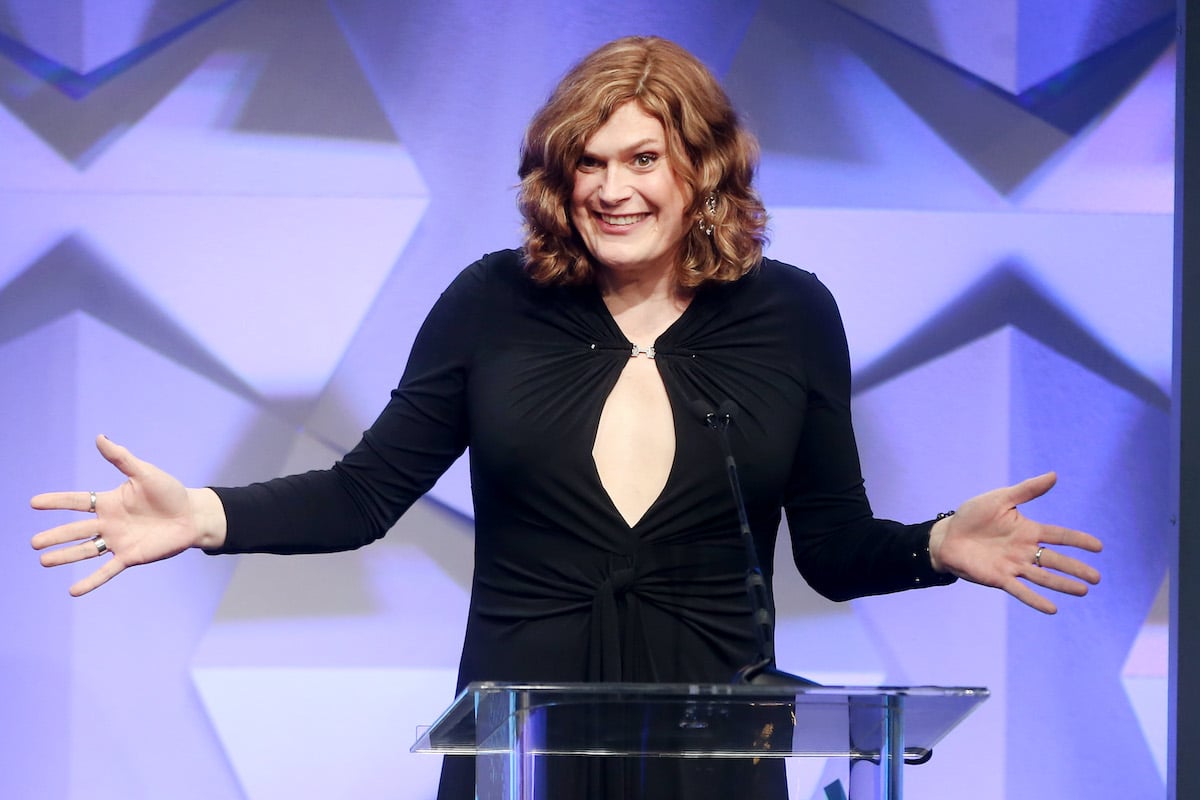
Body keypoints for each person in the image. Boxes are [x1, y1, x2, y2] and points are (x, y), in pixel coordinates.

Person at [30, 36, 1102, 799]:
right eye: (586, 162)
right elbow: (363, 493)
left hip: (712, 756)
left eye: (643, 158)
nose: (611, 188)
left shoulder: (792, 313)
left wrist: (933, 545)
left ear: (704, 168)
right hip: (520, 755)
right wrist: (203, 513)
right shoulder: (495, 299)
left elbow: (826, 545)